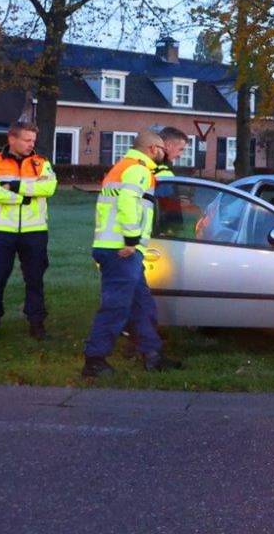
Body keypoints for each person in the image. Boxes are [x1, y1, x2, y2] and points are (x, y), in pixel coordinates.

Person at [81, 131, 182, 377]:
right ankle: (94, 360)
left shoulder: (124, 167)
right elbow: (128, 203)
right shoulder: (138, 170)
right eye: (161, 149)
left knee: (142, 305)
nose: (164, 154)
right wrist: (132, 239)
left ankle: (152, 354)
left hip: (118, 249)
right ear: (152, 148)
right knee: (116, 306)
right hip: (122, 250)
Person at [0, 122, 57, 341]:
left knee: (35, 280)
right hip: (0, 231)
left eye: (33, 140)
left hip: (35, 231)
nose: (32, 144)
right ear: (12, 139)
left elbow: (49, 188)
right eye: (27, 140)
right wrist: (24, 197)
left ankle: (37, 324)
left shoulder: (41, 163)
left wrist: (14, 187)